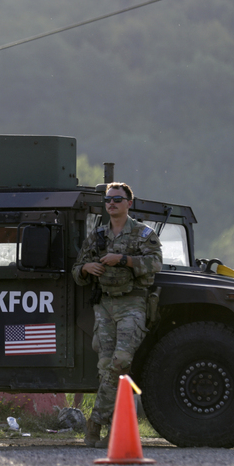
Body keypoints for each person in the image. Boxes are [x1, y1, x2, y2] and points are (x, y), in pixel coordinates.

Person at [72, 182, 163, 448]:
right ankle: (111, 430)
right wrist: (87, 268)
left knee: (121, 362)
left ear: (128, 203)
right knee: (106, 369)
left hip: (133, 303)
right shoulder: (97, 235)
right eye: (108, 199)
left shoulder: (142, 234)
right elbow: (76, 271)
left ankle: (95, 422)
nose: (111, 203)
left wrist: (122, 260)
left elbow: (155, 263)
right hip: (105, 306)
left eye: (117, 199)